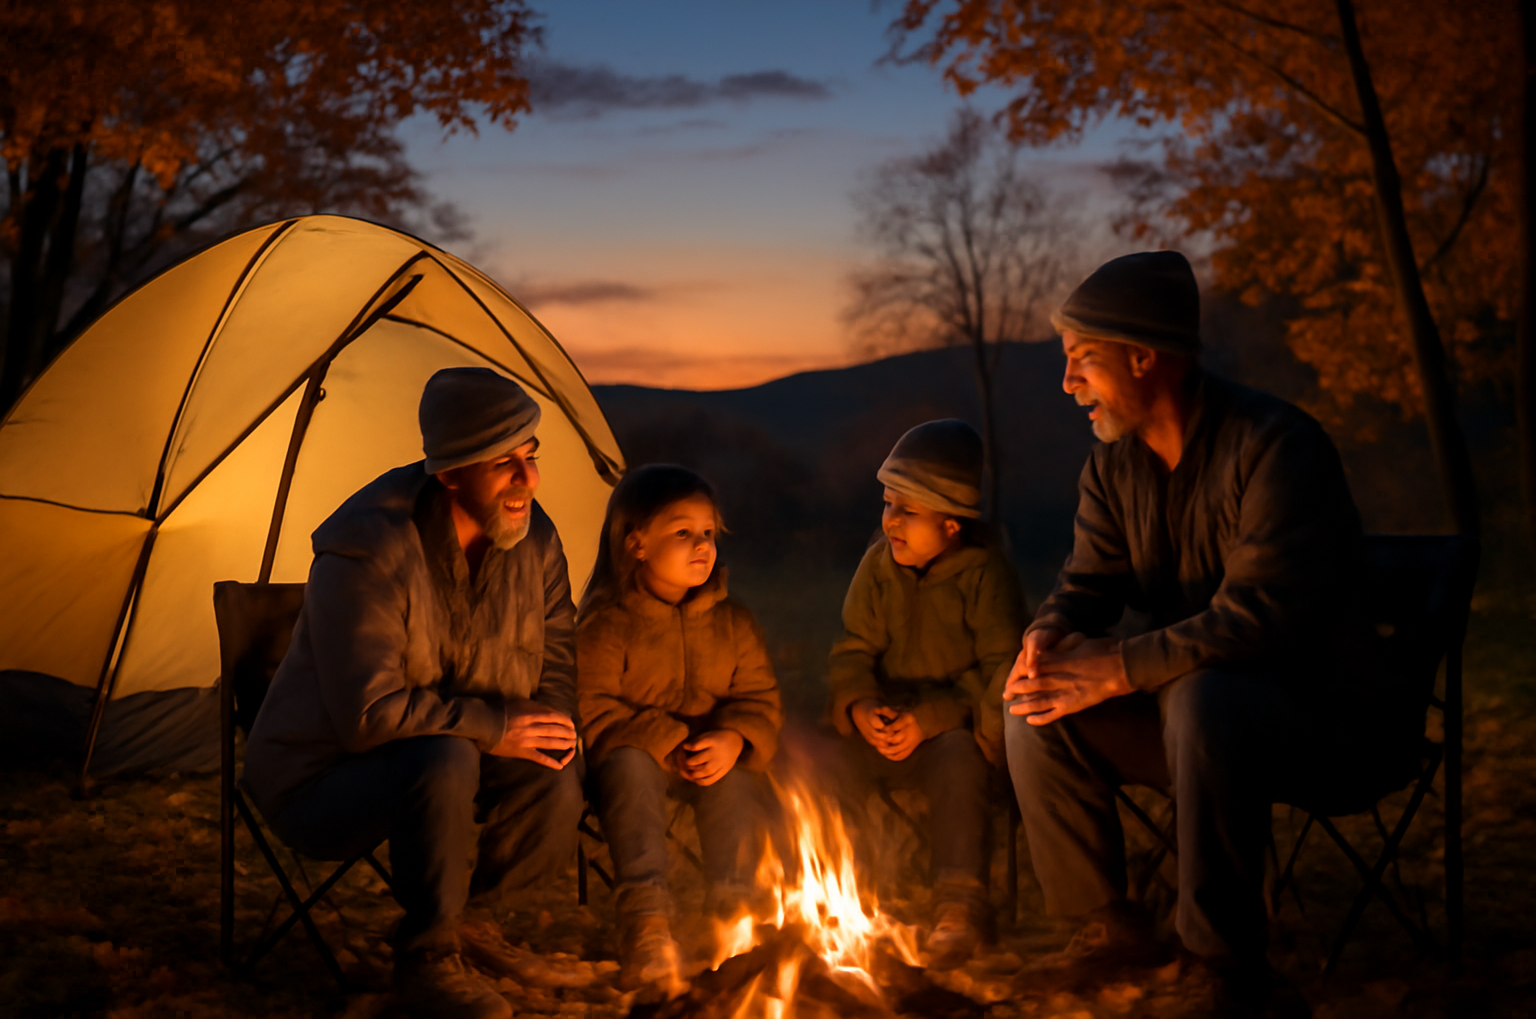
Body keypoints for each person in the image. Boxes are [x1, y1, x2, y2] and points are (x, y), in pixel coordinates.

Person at [1002, 251, 1384, 1011]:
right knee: (1032, 701)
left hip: (1318, 722)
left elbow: (1259, 617)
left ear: (1144, 356)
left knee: (1204, 698)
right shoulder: (1113, 470)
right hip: (1191, 724)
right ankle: (1106, 926)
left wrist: (1117, 668)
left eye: (1084, 361)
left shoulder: (1276, 446)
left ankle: (1222, 964)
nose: (1069, 382)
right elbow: (1088, 584)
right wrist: (1047, 635)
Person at [243, 367, 585, 1019]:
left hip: (454, 751)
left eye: (531, 456)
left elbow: (558, 656)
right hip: (325, 776)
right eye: (504, 462)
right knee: (446, 757)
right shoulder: (367, 548)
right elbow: (367, 717)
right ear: (451, 472)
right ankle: (427, 958)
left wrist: (549, 723)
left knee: (557, 770)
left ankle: (468, 923)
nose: (528, 480)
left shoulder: (534, 539)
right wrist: (490, 727)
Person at [826, 419, 1026, 969]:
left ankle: (959, 901)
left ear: (952, 524)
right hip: (886, 724)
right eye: (888, 505)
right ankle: (845, 893)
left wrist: (936, 719)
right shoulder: (878, 567)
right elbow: (852, 649)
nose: (890, 521)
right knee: (822, 757)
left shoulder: (985, 576)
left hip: (953, 731)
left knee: (960, 759)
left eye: (908, 512)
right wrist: (861, 706)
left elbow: (1002, 672)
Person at [576, 464, 783, 991]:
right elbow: (592, 708)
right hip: (632, 765)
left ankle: (731, 912)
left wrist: (735, 736)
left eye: (709, 533)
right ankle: (647, 921)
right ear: (637, 543)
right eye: (683, 532)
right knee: (629, 765)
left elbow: (759, 698)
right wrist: (668, 741)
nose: (702, 546)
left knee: (736, 775)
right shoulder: (608, 624)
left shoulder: (732, 622)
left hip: (710, 757)